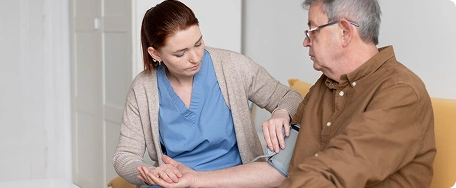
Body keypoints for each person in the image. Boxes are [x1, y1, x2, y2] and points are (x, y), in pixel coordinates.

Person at [149, 0, 437, 187]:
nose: (305, 41)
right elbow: (278, 167)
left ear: (345, 32)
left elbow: (335, 173)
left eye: (312, 31)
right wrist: (195, 180)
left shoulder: (400, 93)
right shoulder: (325, 87)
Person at [112, 0, 302, 187]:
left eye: (198, 43)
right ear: (156, 54)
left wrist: (281, 112)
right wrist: (151, 172)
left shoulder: (233, 66)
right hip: (176, 183)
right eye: (180, 54)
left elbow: (290, 97)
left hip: (235, 180)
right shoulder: (143, 88)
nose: (195, 58)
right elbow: (124, 156)